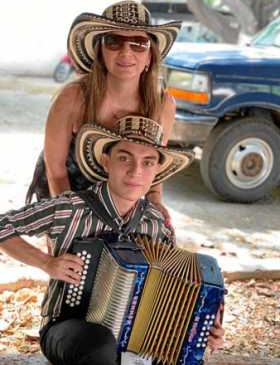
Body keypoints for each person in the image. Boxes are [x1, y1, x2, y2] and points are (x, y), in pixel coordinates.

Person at [0, 115, 224, 365]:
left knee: (187, 357)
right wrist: (46, 263)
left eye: (148, 162)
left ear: (157, 171)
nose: (135, 171)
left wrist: (200, 329)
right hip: (69, 328)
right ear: (106, 161)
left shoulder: (156, 224)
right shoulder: (70, 208)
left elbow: (174, 295)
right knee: (99, 345)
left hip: (138, 339)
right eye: (124, 157)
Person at [26, 0, 182, 222]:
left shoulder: (163, 105)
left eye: (138, 43)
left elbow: (153, 164)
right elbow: (56, 169)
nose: (126, 52)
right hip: (64, 187)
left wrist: (155, 202)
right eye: (113, 41)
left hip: (123, 191)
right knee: (66, 255)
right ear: (100, 51)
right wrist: (69, 220)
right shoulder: (72, 98)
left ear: (150, 55)